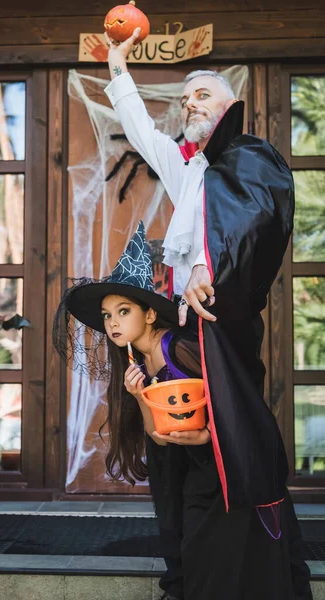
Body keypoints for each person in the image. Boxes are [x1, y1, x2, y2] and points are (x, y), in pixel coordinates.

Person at [101, 30, 313, 600]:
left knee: (232, 422)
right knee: (180, 426)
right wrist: (118, 66)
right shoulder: (185, 166)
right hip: (184, 321)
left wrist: (208, 270)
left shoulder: (253, 159)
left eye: (203, 95)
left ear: (227, 109)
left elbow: (255, 221)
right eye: (187, 96)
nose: (191, 102)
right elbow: (145, 134)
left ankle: (252, 542)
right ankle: (191, 552)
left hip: (222, 316)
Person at [54, 222, 312, 600]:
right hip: (189, 470)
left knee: (229, 561)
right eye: (108, 316)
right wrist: (140, 396)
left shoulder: (183, 348)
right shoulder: (136, 365)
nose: (112, 324)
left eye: (123, 311)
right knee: (195, 553)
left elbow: (232, 403)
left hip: (226, 469)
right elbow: (158, 434)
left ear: (149, 314)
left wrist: (208, 435)